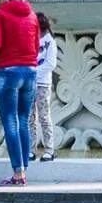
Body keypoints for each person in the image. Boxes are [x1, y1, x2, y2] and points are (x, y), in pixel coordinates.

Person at [0, 0, 39, 186]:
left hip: (8, 71)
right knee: (24, 120)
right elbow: (35, 46)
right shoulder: (32, 16)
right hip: (30, 71)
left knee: (10, 122)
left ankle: (18, 173)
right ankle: (24, 167)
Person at [32, 11, 58, 162]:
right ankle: (31, 149)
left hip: (42, 83)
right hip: (30, 83)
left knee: (44, 116)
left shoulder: (50, 42)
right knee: (30, 117)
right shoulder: (32, 39)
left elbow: (51, 64)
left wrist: (34, 72)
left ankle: (49, 149)